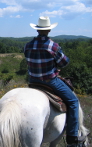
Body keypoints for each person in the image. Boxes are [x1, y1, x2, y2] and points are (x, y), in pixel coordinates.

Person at [24, 16, 86, 146]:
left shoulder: (28, 45)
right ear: (49, 30)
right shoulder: (53, 46)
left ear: (37, 30)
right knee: (74, 102)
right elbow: (64, 63)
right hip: (50, 81)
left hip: (32, 81)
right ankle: (72, 138)